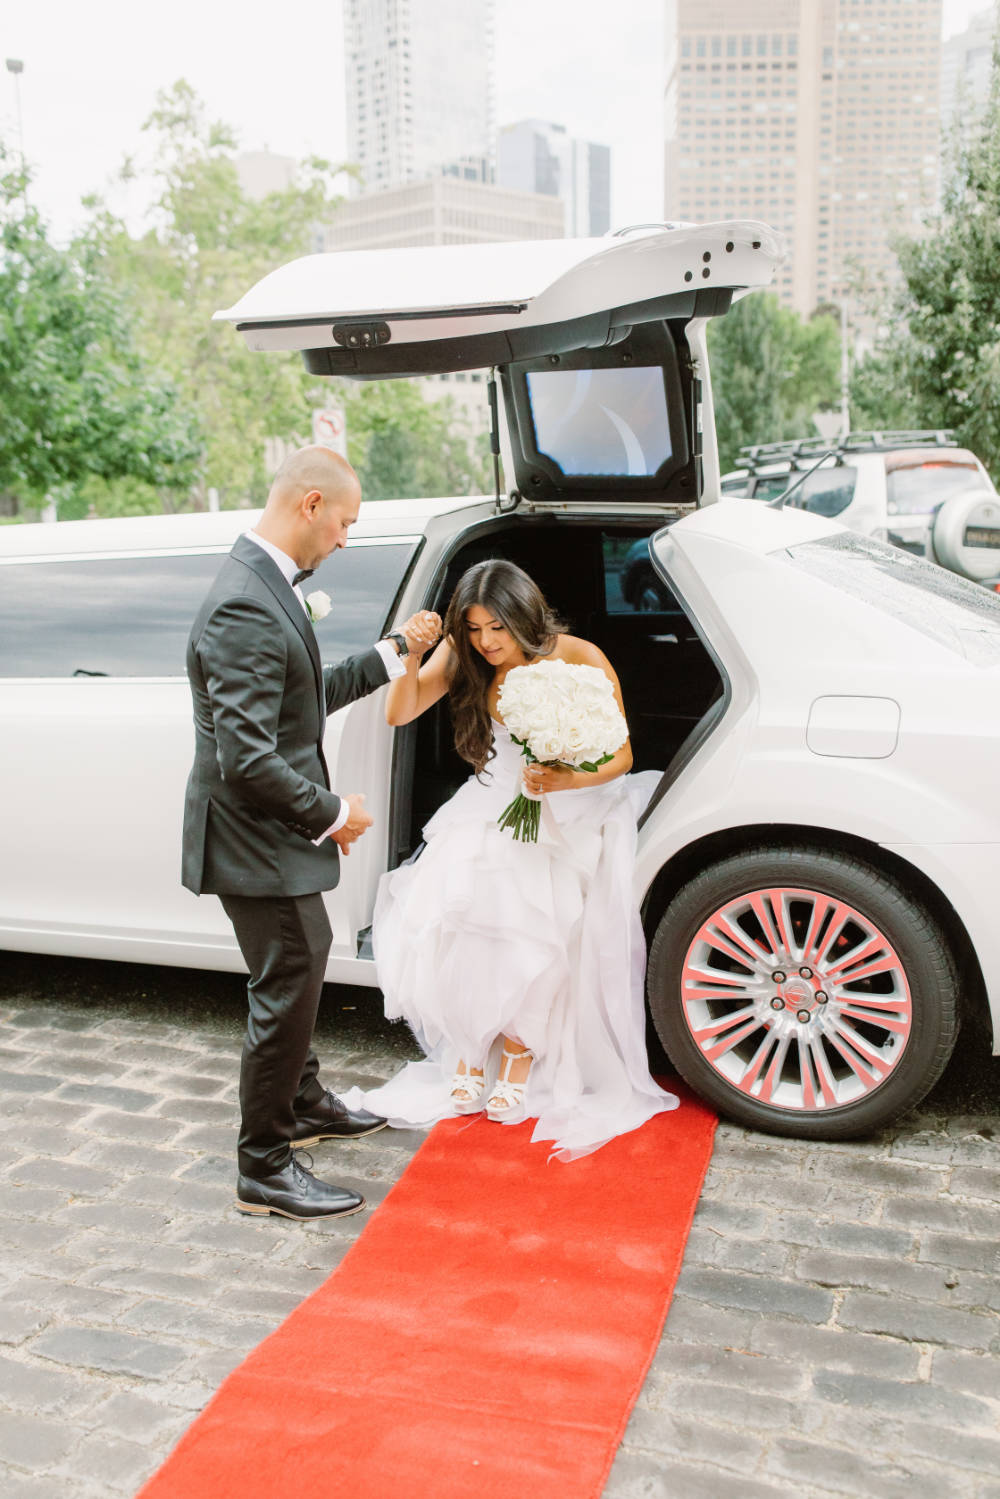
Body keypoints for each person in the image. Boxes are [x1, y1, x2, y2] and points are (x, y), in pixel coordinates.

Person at [182, 446, 441, 1219]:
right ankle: (263, 1165)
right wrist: (334, 814)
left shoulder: (266, 587)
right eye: (345, 522)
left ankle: (301, 1103)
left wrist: (393, 655)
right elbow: (247, 757)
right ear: (310, 503)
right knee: (287, 979)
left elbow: (298, 700)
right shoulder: (243, 603)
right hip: (252, 836)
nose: (344, 539)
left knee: (301, 963)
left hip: (269, 836)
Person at [353, 559, 678, 1159]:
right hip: (492, 801)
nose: (486, 642)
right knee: (466, 914)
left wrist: (562, 780)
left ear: (525, 615)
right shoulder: (464, 655)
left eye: (497, 628)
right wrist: (413, 655)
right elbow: (400, 712)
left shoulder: (578, 656)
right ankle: (472, 1049)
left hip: (566, 804)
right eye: (474, 629)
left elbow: (622, 755)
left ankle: (521, 1053)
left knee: (534, 921)